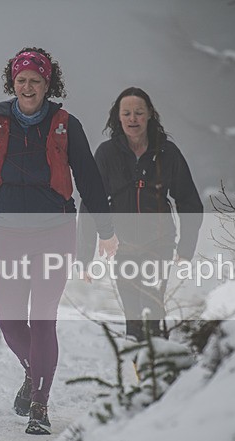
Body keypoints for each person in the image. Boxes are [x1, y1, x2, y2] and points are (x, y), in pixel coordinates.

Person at [0, 47, 118, 435]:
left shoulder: (66, 124)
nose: (27, 86)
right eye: (22, 79)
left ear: (48, 84)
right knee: (10, 322)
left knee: (42, 318)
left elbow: (90, 181)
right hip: (9, 231)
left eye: (36, 80)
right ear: (13, 82)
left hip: (55, 231)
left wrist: (107, 229)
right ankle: (34, 372)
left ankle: (40, 407)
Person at [78, 87, 203, 340]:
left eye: (138, 112)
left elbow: (189, 201)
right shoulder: (106, 154)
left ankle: (156, 369)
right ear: (118, 118)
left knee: (152, 308)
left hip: (159, 244)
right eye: (127, 113)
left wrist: (186, 247)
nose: (132, 118)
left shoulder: (167, 153)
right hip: (122, 247)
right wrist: (85, 254)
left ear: (149, 116)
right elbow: (91, 204)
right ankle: (139, 370)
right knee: (133, 312)